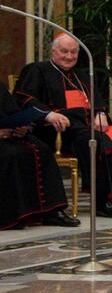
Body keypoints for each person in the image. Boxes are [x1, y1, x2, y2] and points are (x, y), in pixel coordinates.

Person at [14, 33, 112, 218]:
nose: (69, 57)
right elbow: (23, 98)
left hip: (86, 127)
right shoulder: (37, 70)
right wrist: (48, 114)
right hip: (58, 131)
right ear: (53, 51)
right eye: (64, 52)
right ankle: (102, 200)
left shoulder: (83, 75)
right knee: (96, 142)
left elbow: (98, 102)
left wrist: (100, 114)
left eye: (73, 52)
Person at [0, 83, 80, 230]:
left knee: (42, 150)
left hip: (8, 133)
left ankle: (51, 212)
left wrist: (23, 128)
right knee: (11, 154)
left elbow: (13, 112)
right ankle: (13, 215)